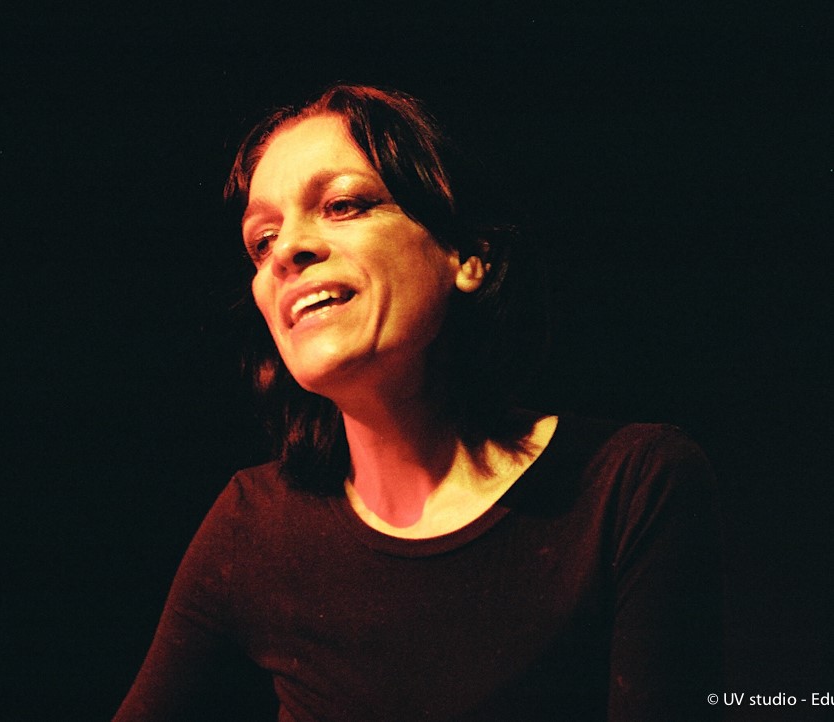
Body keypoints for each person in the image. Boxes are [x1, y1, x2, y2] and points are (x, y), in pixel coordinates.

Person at [113, 84, 722, 721]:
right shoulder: (255, 527)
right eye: (262, 240)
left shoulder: (629, 485)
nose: (286, 251)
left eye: (342, 204)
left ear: (467, 257)